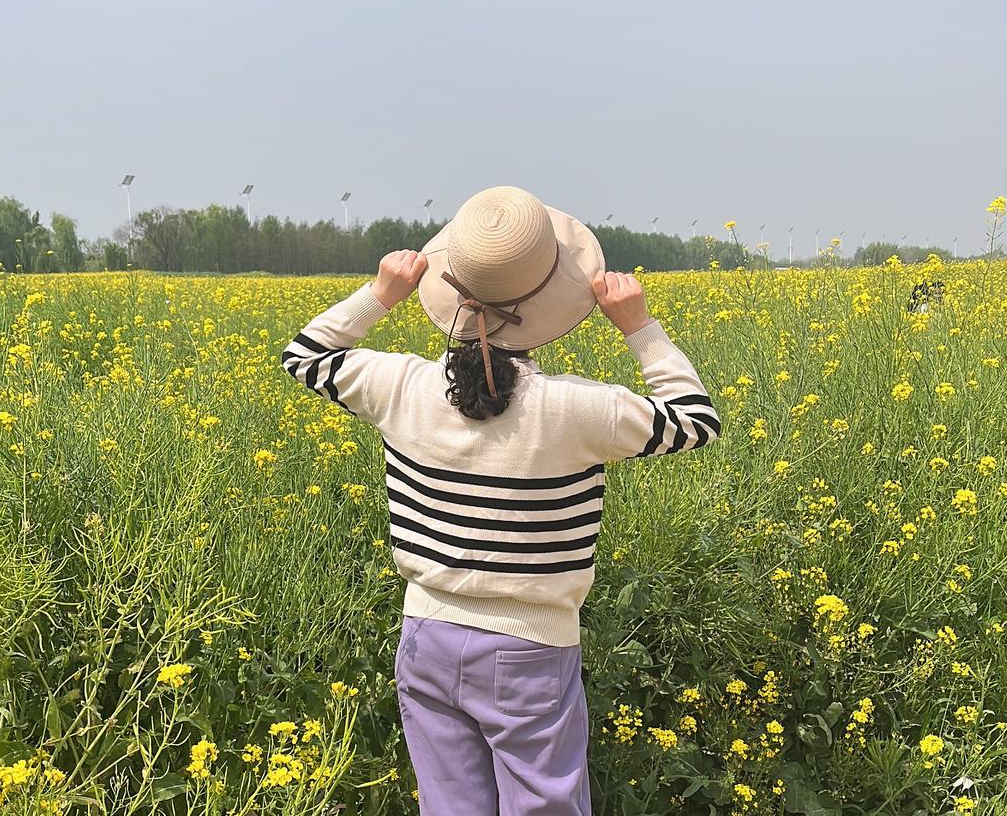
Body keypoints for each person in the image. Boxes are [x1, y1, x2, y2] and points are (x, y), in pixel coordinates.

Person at [281, 185, 721, 816]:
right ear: (553, 298)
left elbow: (306, 355)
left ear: (451, 292)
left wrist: (381, 293)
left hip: (427, 633)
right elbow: (695, 420)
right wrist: (639, 325)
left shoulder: (397, 385)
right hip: (529, 648)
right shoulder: (578, 408)